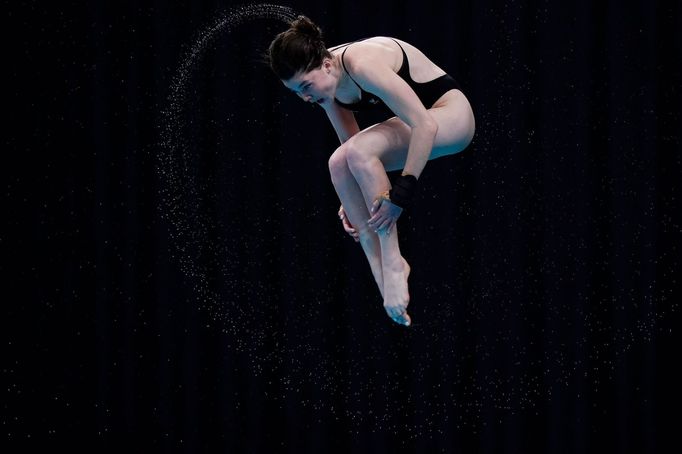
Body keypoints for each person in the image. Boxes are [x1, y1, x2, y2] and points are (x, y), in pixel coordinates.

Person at [267, 16, 475, 326]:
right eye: (296, 91)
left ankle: (393, 262)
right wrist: (349, 198)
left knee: (359, 153)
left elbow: (424, 124)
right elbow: (349, 147)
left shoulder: (361, 64)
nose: (305, 97)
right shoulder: (327, 87)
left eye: (306, 86)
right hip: (419, 125)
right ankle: (381, 275)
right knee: (337, 162)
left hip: (452, 117)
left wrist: (403, 190)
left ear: (325, 65)